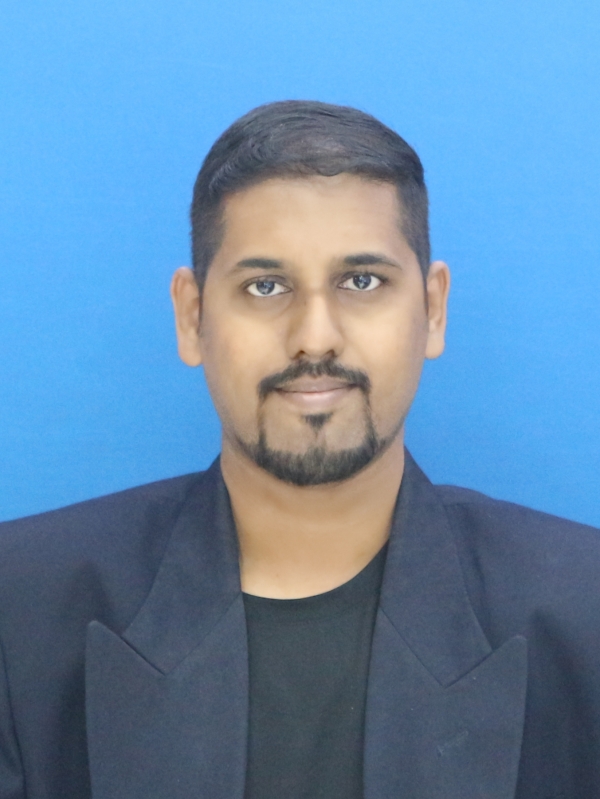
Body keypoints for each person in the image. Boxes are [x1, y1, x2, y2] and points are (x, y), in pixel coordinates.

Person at [0, 100, 599, 799]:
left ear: (433, 309)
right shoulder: (21, 608)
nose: (315, 337)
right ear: (192, 316)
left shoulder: (583, 608)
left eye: (361, 281)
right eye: (266, 286)